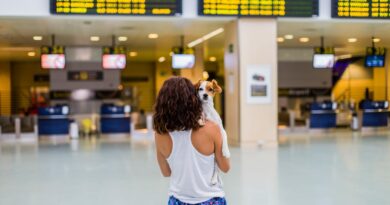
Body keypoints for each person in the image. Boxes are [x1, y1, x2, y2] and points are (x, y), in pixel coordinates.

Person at [153, 77, 230, 205]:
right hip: (211, 199)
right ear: (192, 99)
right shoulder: (212, 128)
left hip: (178, 200)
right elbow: (225, 167)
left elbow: (166, 172)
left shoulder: (160, 134)